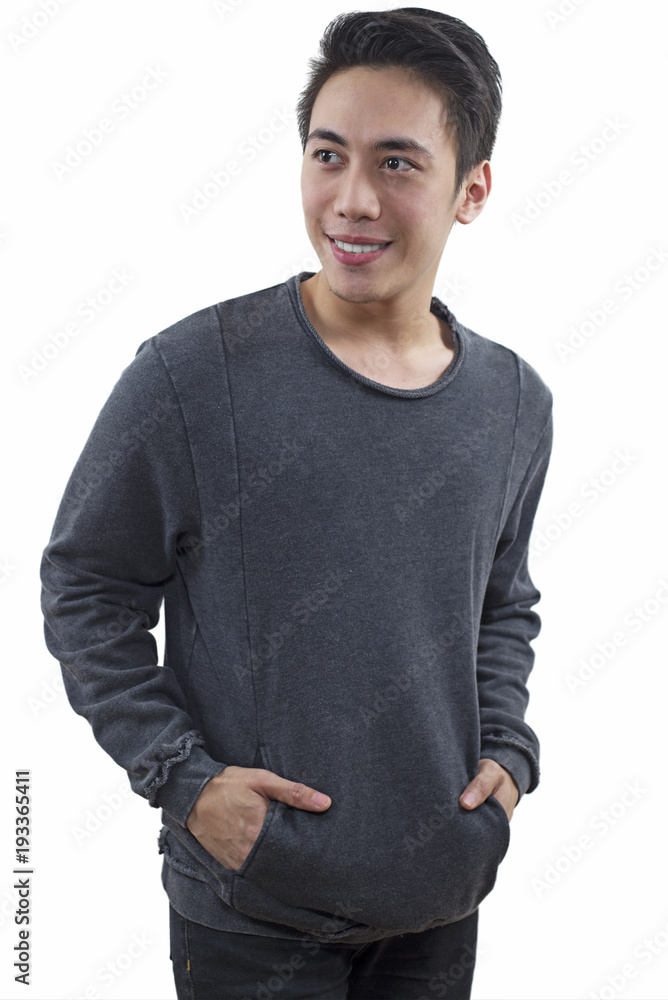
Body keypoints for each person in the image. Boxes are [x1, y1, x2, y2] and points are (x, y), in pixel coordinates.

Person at [40, 8, 553, 999]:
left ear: (471, 190)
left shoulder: (512, 401)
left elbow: (500, 601)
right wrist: (183, 781)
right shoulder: (194, 375)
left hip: (439, 898)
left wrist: (507, 753)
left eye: (396, 163)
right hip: (250, 911)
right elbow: (85, 586)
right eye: (327, 155)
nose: (351, 200)